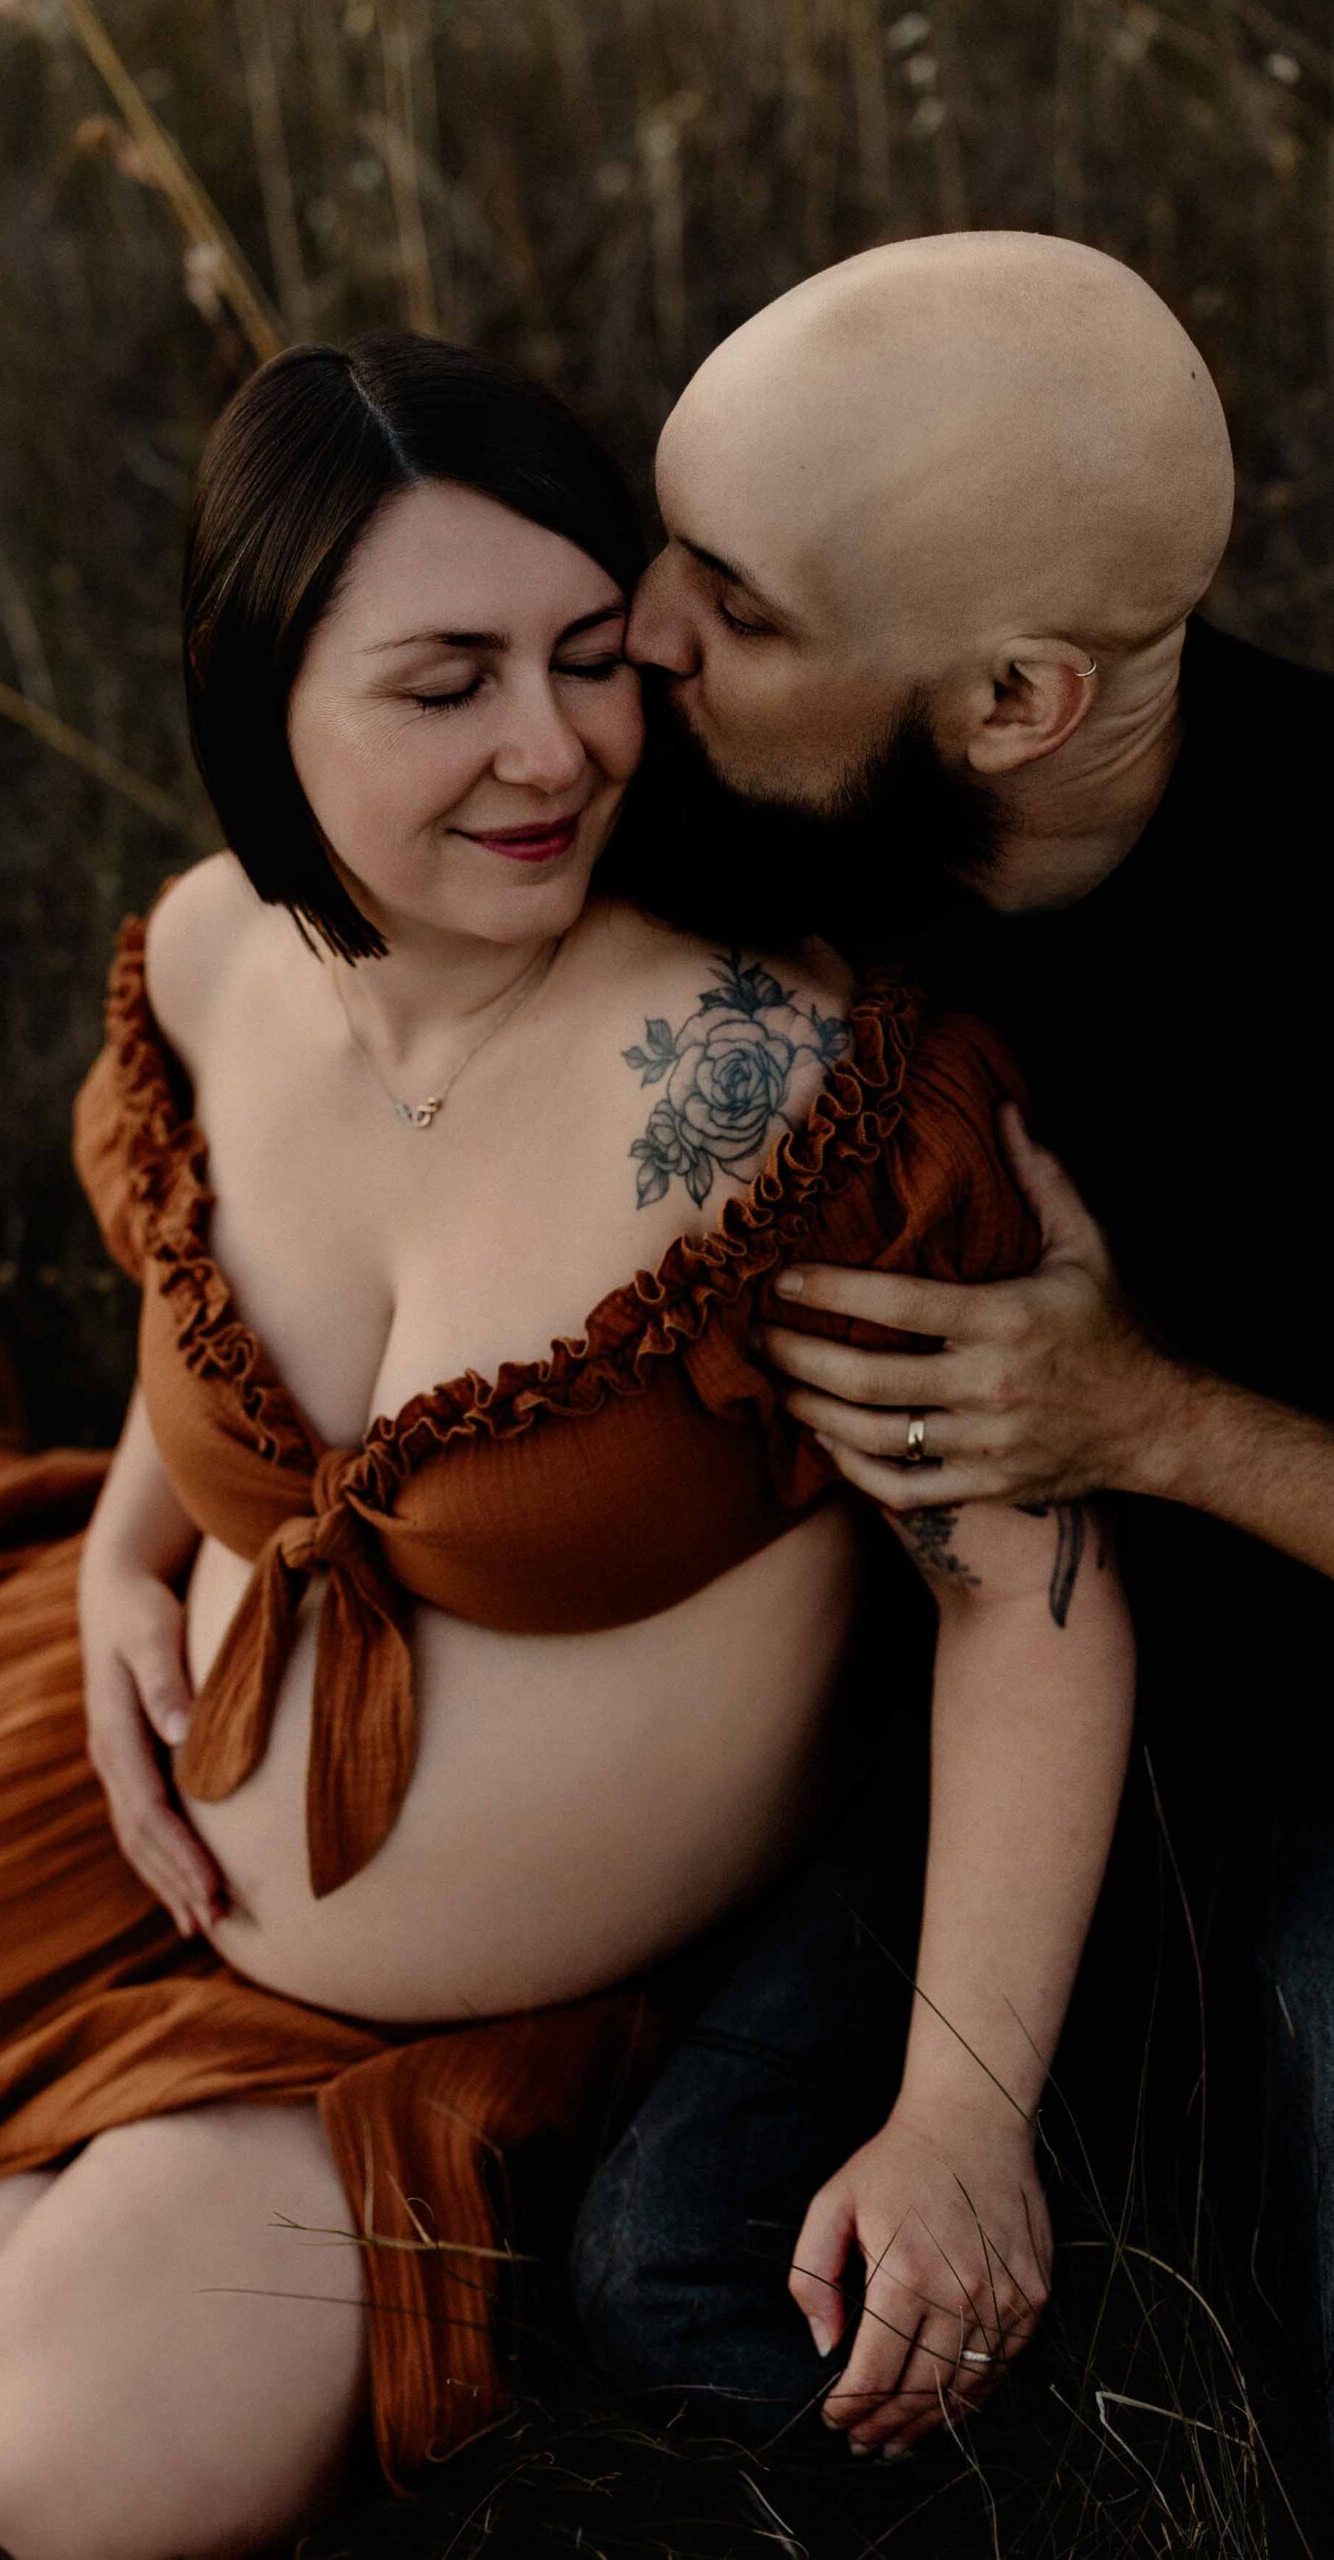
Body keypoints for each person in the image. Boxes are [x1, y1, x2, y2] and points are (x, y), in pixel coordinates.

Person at [0, 331, 1132, 2560]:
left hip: (491, 2018)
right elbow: (201, 1317)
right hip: (124, 1805)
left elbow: (1026, 1599)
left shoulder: (776, 1097)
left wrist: (958, 2116)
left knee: (60, 2450)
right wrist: (121, 1557)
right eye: (447, 684)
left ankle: (152, 2196)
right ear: (261, 704)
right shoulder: (216, 957)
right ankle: (46, 2122)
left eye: (591, 660)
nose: (552, 748)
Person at [577, 227, 1334, 2501]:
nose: (644, 630)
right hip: (989, 1719)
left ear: (1013, 702)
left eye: (740, 605)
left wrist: (1153, 1421)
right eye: (669, 546)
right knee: (672, 2268)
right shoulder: (733, 778)